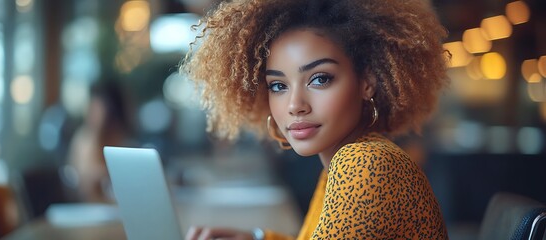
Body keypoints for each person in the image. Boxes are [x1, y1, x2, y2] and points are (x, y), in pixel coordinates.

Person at [180, 0, 450, 239]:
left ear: (368, 81)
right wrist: (257, 237)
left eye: (320, 79)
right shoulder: (339, 163)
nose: (295, 105)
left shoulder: (366, 164)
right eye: (278, 86)